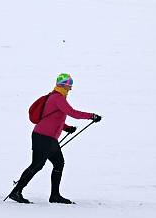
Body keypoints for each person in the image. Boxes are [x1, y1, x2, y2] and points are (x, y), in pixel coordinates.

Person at [8, 73, 101, 204]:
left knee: (58, 163)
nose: (70, 89)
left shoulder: (56, 97)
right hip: (43, 137)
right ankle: (16, 192)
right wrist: (92, 116)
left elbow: (53, 118)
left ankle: (55, 195)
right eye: (69, 85)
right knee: (37, 165)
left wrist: (66, 127)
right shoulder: (58, 98)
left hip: (49, 138)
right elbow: (72, 113)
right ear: (63, 85)